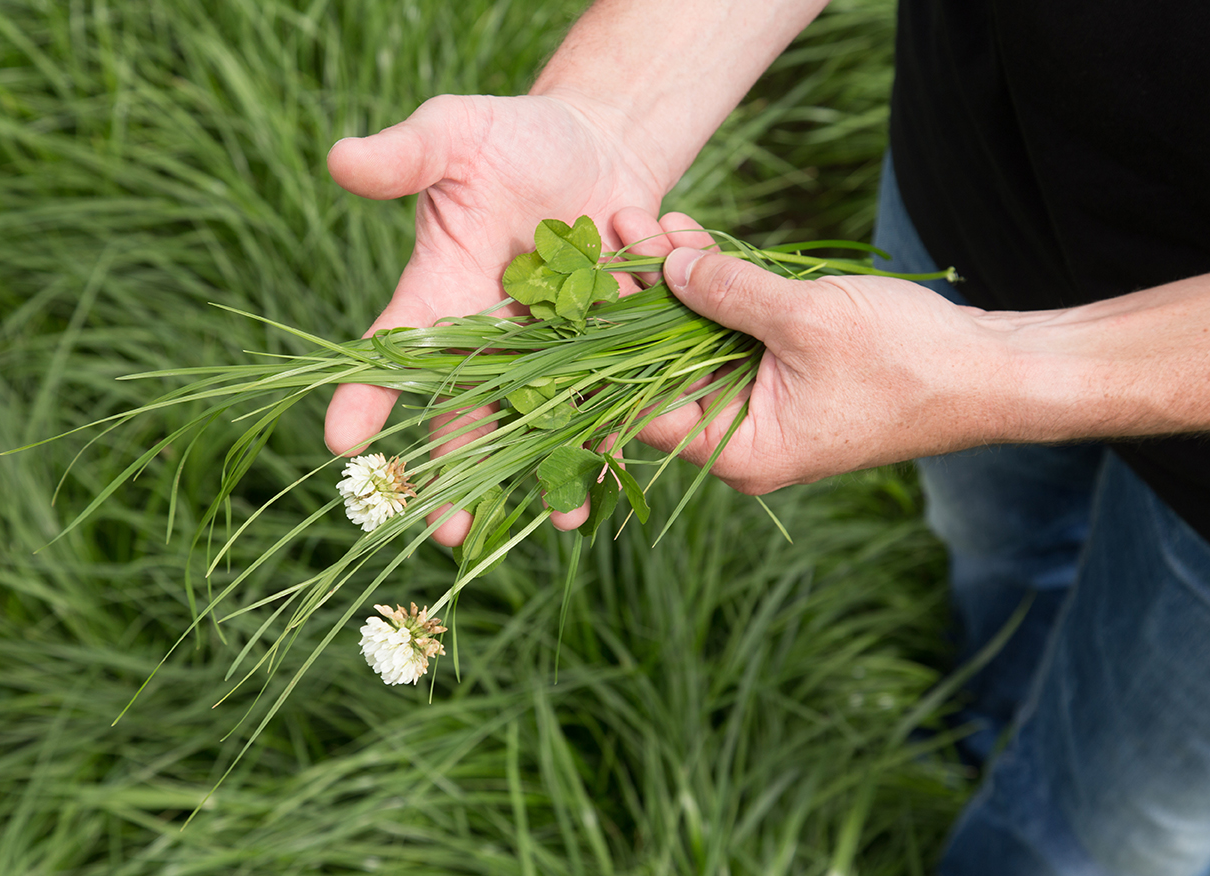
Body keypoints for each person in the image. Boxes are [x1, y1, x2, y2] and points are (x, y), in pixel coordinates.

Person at [323, 1, 1210, 872]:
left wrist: (1001, 373)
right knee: (992, 536)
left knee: (1098, 830)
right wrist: (608, 112)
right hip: (978, 171)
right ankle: (986, 706)